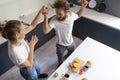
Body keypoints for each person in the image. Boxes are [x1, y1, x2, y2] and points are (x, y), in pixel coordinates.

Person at [0, 6, 48, 80]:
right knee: (33, 76)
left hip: (30, 58)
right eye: (23, 29)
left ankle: (38, 75)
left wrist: (40, 12)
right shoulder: (15, 52)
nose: (25, 29)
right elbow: (30, 65)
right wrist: (31, 47)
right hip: (27, 69)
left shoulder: (14, 37)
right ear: (17, 35)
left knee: (37, 69)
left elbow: (32, 25)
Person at [42, 0, 88, 66]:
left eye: (60, 14)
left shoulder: (71, 15)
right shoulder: (54, 20)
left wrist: (83, 7)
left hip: (71, 42)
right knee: (61, 62)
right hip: (60, 45)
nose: (57, 16)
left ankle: (67, 56)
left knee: (72, 54)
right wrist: (46, 16)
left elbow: (78, 15)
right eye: (56, 13)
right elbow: (45, 31)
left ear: (66, 12)